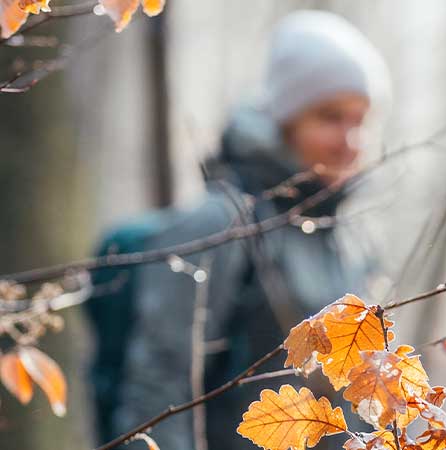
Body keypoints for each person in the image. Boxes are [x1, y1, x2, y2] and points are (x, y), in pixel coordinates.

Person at [84, 10, 392, 450]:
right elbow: (157, 390)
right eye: (330, 117)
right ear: (285, 120)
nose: (350, 141)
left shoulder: (352, 240)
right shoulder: (220, 226)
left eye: (360, 121)